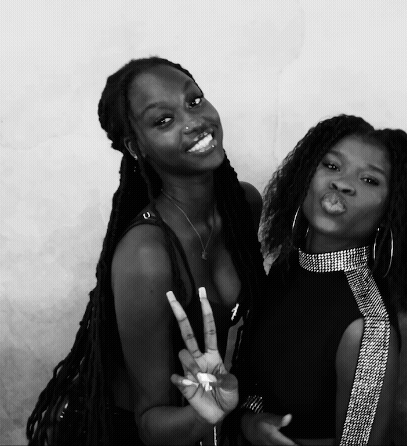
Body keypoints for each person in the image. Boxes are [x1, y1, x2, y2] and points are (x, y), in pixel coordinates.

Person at [26, 57, 266, 445]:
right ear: (137, 148)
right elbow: (150, 422)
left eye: (194, 101)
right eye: (163, 120)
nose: (194, 121)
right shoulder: (146, 256)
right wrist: (209, 415)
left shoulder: (243, 205)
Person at [230, 115, 407, 445]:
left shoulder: (368, 325)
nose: (342, 184)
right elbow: (258, 382)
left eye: (370, 180)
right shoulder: (286, 268)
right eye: (331, 166)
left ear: (391, 211)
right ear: (304, 176)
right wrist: (250, 423)